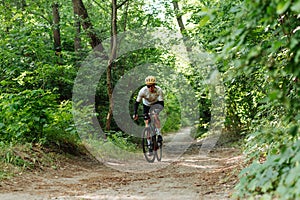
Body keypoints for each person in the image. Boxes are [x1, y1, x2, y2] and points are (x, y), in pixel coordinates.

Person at [133, 76, 164, 144]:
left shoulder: (159, 90)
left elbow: (162, 104)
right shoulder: (142, 91)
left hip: (156, 104)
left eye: (152, 86)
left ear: (154, 85)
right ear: (146, 86)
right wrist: (135, 113)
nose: (150, 88)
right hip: (146, 106)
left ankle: (159, 134)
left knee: (155, 116)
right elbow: (137, 103)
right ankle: (149, 143)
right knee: (147, 123)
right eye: (148, 86)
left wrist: (157, 111)